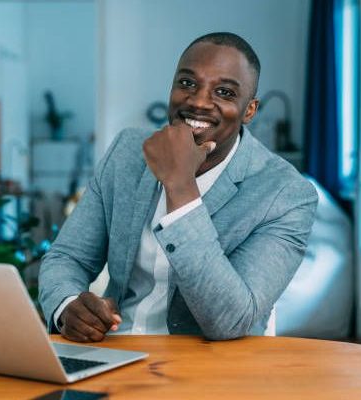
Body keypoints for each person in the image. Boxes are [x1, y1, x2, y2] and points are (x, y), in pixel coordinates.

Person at [39, 32, 318, 342]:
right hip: (115, 349)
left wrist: (180, 186)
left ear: (249, 110)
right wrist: (67, 306)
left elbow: (231, 320)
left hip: (210, 365)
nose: (198, 102)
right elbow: (68, 257)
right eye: (187, 83)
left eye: (224, 92)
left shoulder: (286, 194)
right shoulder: (127, 151)